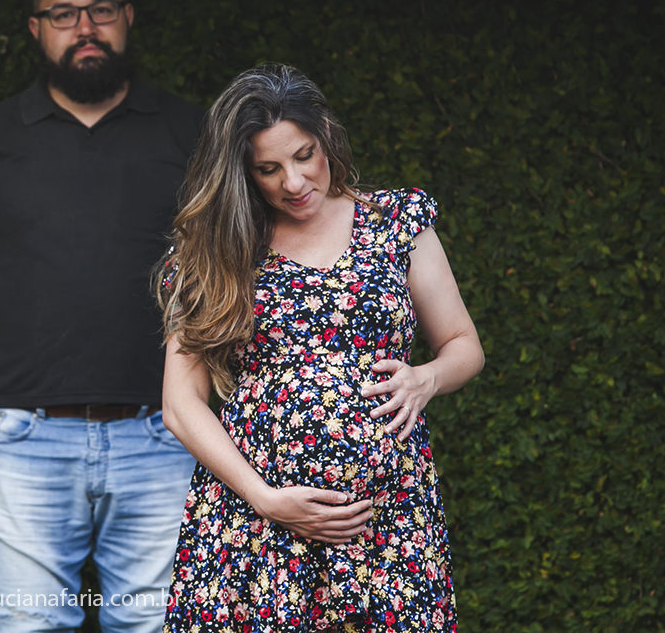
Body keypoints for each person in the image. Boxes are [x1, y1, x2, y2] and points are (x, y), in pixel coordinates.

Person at [0, 0, 204, 633]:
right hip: (26, 436)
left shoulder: (193, 134)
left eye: (99, 10)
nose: (84, 26)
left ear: (127, 18)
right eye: (63, 14)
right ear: (36, 29)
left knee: (158, 627)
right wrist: (20, 322)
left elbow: (253, 262)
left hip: (169, 431)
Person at [156, 63, 484, 633]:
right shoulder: (217, 252)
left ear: (326, 135)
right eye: (268, 168)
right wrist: (264, 499)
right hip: (254, 525)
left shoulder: (394, 222)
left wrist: (426, 378)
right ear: (242, 173)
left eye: (303, 155)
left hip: (389, 522)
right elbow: (181, 405)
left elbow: (463, 344)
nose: (293, 181)